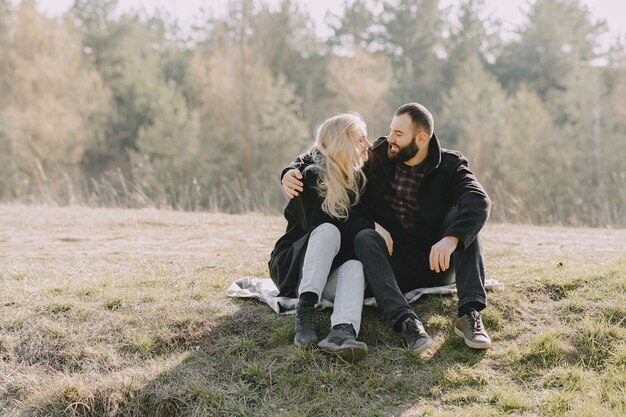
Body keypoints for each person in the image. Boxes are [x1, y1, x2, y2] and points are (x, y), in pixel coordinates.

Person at [281, 103, 492, 352]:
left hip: (436, 260)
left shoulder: (450, 165)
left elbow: (478, 199)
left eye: (399, 134)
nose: (388, 139)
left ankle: (469, 314)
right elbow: (326, 147)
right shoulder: (381, 154)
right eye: (391, 131)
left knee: (464, 220)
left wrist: (452, 239)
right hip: (390, 263)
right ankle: (406, 322)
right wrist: (291, 169)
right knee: (365, 237)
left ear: (421, 138)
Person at [269, 113, 373, 362]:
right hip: (294, 268)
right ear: (343, 142)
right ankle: (304, 315)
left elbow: (349, 242)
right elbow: (326, 229)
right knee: (328, 231)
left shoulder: (358, 179)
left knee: (355, 266)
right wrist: (371, 226)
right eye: (361, 139)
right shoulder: (308, 176)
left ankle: (342, 332)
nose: (367, 145)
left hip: (327, 274)